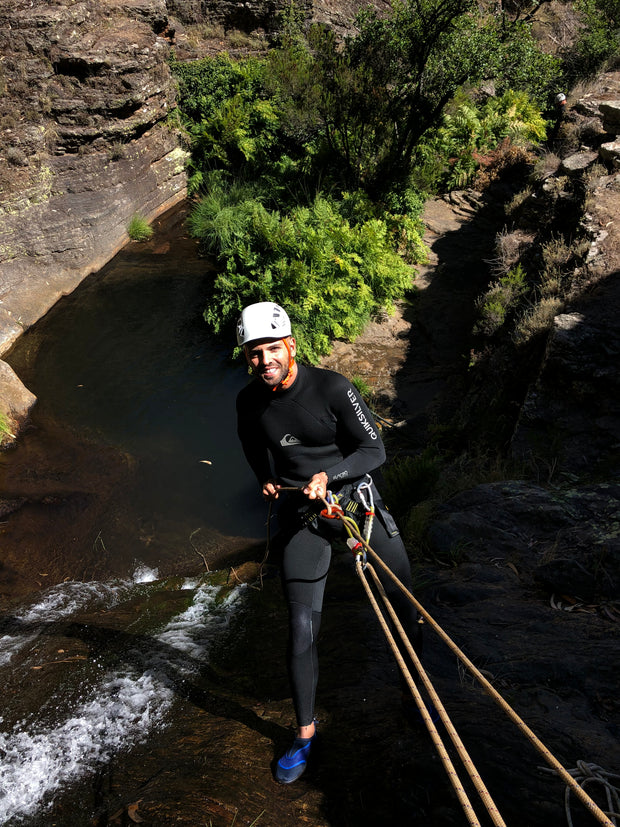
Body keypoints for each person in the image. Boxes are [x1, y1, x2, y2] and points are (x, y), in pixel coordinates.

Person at [235, 301, 420, 784]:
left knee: (403, 603)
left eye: (272, 349)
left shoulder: (332, 388)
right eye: (255, 353)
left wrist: (329, 474)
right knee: (300, 627)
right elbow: (253, 446)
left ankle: (414, 696)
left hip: (357, 508)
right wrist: (266, 478)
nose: (264, 360)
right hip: (303, 517)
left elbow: (373, 448)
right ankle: (304, 734)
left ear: (291, 345)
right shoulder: (248, 402)